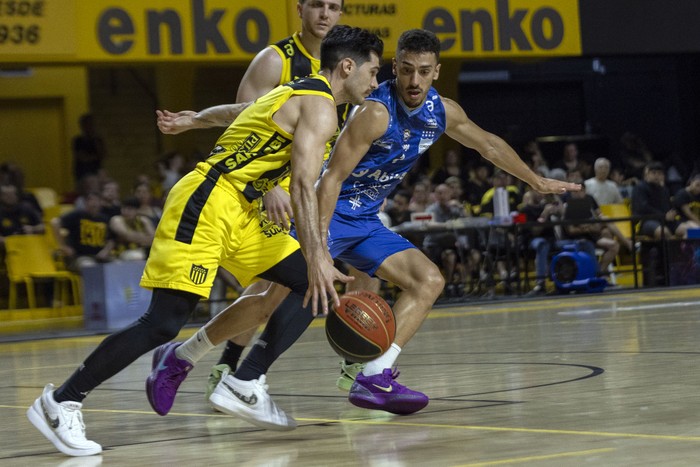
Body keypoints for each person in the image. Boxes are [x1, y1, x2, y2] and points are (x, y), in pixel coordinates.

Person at [146, 29, 580, 432]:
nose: (414, 79)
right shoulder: (373, 112)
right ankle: (193, 358)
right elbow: (329, 178)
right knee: (273, 299)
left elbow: (487, 144)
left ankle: (374, 375)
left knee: (429, 280)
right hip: (324, 211)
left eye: (424, 71)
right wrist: (318, 247)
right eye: (406, 69)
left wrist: (535, 180)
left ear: (436, 72)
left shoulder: (441, 111)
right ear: (394, 67)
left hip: (366, 220)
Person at [27, 25, 383, 456]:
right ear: (348, 66)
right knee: (163, 321)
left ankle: (244, 381)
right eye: (374, 71)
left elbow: (239, 113)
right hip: (208, 201)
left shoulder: (296, 91)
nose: (376, 82)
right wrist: (316, 254)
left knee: (312, 285)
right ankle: (62, 399)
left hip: (243, 210)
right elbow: (304, 186)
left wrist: (195, 119)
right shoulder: (321, 108)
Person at [156, 0, 380, 399]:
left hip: (303, 191)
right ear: (300, 9)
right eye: (317, 5)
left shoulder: (352, 80)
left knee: (337, 276)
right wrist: (198, 122)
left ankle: (349, 364)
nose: (325, 14)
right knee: (286, 287)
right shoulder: (275, 59)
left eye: (334, 7)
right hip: (257, 195)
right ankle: (232, 367)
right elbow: (250, 116)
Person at [51, 191, 115, 273]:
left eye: (97, 201)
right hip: (79, 257)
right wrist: (63, 246)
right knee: (90, 266)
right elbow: (55, 222)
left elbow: (111, 239)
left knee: (118, 265)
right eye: (91, 200)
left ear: (101, 203)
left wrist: (106, 250)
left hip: (100, 257)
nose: (94, 204)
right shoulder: (77, 215)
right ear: (86, 202)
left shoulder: (105, 219)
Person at [109, 196, 155, 261]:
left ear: (137, 210)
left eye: (130, 209)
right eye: (124, 208)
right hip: (119, 254)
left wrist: (137, 238)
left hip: (140, 251)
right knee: (137, 256)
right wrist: (145, 238)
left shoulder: (143, 220)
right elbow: (127, 235)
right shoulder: (116, 219)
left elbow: (153, 240)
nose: (126, 211)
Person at [72, 114, 106, 185]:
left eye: (91, 124)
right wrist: (94, 157)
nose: (89, 127)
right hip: (82, 173)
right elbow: (81, 157)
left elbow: (102, 155)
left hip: (95, 172)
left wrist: (94, 139)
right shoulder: (78, 140)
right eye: (86, 124)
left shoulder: (98, 140)